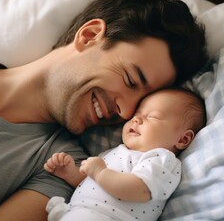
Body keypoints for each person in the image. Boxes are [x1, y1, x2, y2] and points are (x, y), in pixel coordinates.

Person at [0, 0, 208, 220]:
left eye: (142, 103)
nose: (126, 112)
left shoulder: (60, 169)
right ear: (88, 36)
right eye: (130, 79)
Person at [44, 88, 206, 221]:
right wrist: (71, 173)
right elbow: (94, 182)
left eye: (152, 117)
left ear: (183, 139)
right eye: (137, 114)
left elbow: (139, 189)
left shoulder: (162, 160)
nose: (136, 119)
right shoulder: (113, 152)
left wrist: (100, 172)